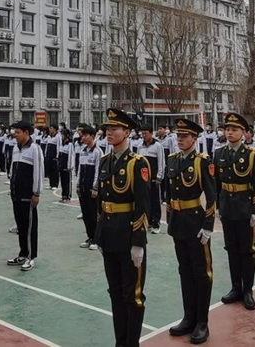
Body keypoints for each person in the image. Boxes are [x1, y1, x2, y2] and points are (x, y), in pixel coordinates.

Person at [95, 108, 151, 347]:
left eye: (115, 128)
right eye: (108, 128)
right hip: (109, 236)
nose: (110, 132)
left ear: (127, 132)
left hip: (128, 237)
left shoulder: (138, 163)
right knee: (115, 292)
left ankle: (132, 343)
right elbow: (102, 202)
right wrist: (99, 236)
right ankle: (121, 342)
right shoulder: (105, 161)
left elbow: (143, 205)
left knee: (132, 296)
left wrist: (138, 243)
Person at [167, 118, 215, 344]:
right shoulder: (172, 160)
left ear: (195, 139)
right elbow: (169, 194)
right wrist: (170, 220)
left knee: (201, 273)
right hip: (179, 223)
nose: (180, 140)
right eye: (179, 136)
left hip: (196, 224)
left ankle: (202, 322)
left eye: (185, 136)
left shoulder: (202, 161)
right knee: (184, 270)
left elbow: (211, 196)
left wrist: (208, 226)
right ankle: (188, 317)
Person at [215, 112, 255, 310]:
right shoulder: (219, 153)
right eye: (228, 129)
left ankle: (248, 290)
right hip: (227, 207)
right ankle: (236, 287)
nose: (230, 132)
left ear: (243, 132)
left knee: (248, 250)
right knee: (232, 249)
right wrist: (218, 206)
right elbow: (217, 183)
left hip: (244, 207)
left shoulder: (252, 154)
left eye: (234, 129)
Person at [7, 120, 43, 271]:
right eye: (14, 132)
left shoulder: (35, 149)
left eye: (18, 132)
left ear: (26, 133)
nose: (15, 135)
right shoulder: (16, 148)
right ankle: (22, 253)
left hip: (28, 195)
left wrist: (36, 193)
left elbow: (39, 172)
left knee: (29, 226)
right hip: (16, 193)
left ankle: (30, 256)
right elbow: (12, 169)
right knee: (20, 225)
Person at [76, 124, 101, 249]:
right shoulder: (82, 151)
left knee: (93, 214)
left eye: (86, 135)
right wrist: (78, 184)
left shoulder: (98, 152)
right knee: (86, 213)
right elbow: (80, 169)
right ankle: (90, 236)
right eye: (82, 135)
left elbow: (98, 171)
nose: (83, 138)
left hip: (92, 189)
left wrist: (95, 188)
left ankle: (97, 239)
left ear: (92, 136)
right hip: (83, 187)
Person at [138, 125, 165, 234]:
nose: (144, 135)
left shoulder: (158, 146)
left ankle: (156, 223)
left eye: (146, 133)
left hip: (154, 178)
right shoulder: (140, 146)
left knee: (155, 201)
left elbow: (161, 161)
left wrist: (159, 176)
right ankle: (148, 221)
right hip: (143, 179)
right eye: (142, 133)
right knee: (145, 200)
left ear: (151, 133)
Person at [58, 129, 75, 202]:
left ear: (67, 135)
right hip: (61, 166)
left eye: (63, 134)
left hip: (66, 167)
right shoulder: (62, 144)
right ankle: (63, 195)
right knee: (62, 182)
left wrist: (69, 167)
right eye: (61, 134)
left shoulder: (70, 144)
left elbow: (71, 156)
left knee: (67, 182)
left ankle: (67, 196)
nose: (62, 136)